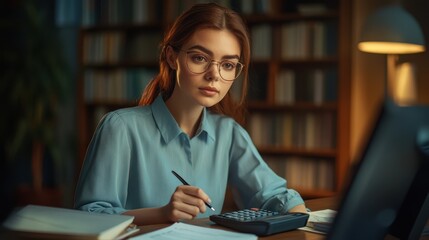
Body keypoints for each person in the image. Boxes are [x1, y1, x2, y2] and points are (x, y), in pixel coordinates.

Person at [74, 2, 307, 225]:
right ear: (172, 57)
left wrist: (302, 218)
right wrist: (162, 213)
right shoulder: (120, 127)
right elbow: (89, 216)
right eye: (199, 58)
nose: (214, 75)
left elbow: (275, 195)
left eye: (227, 64)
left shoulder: (229, 133)